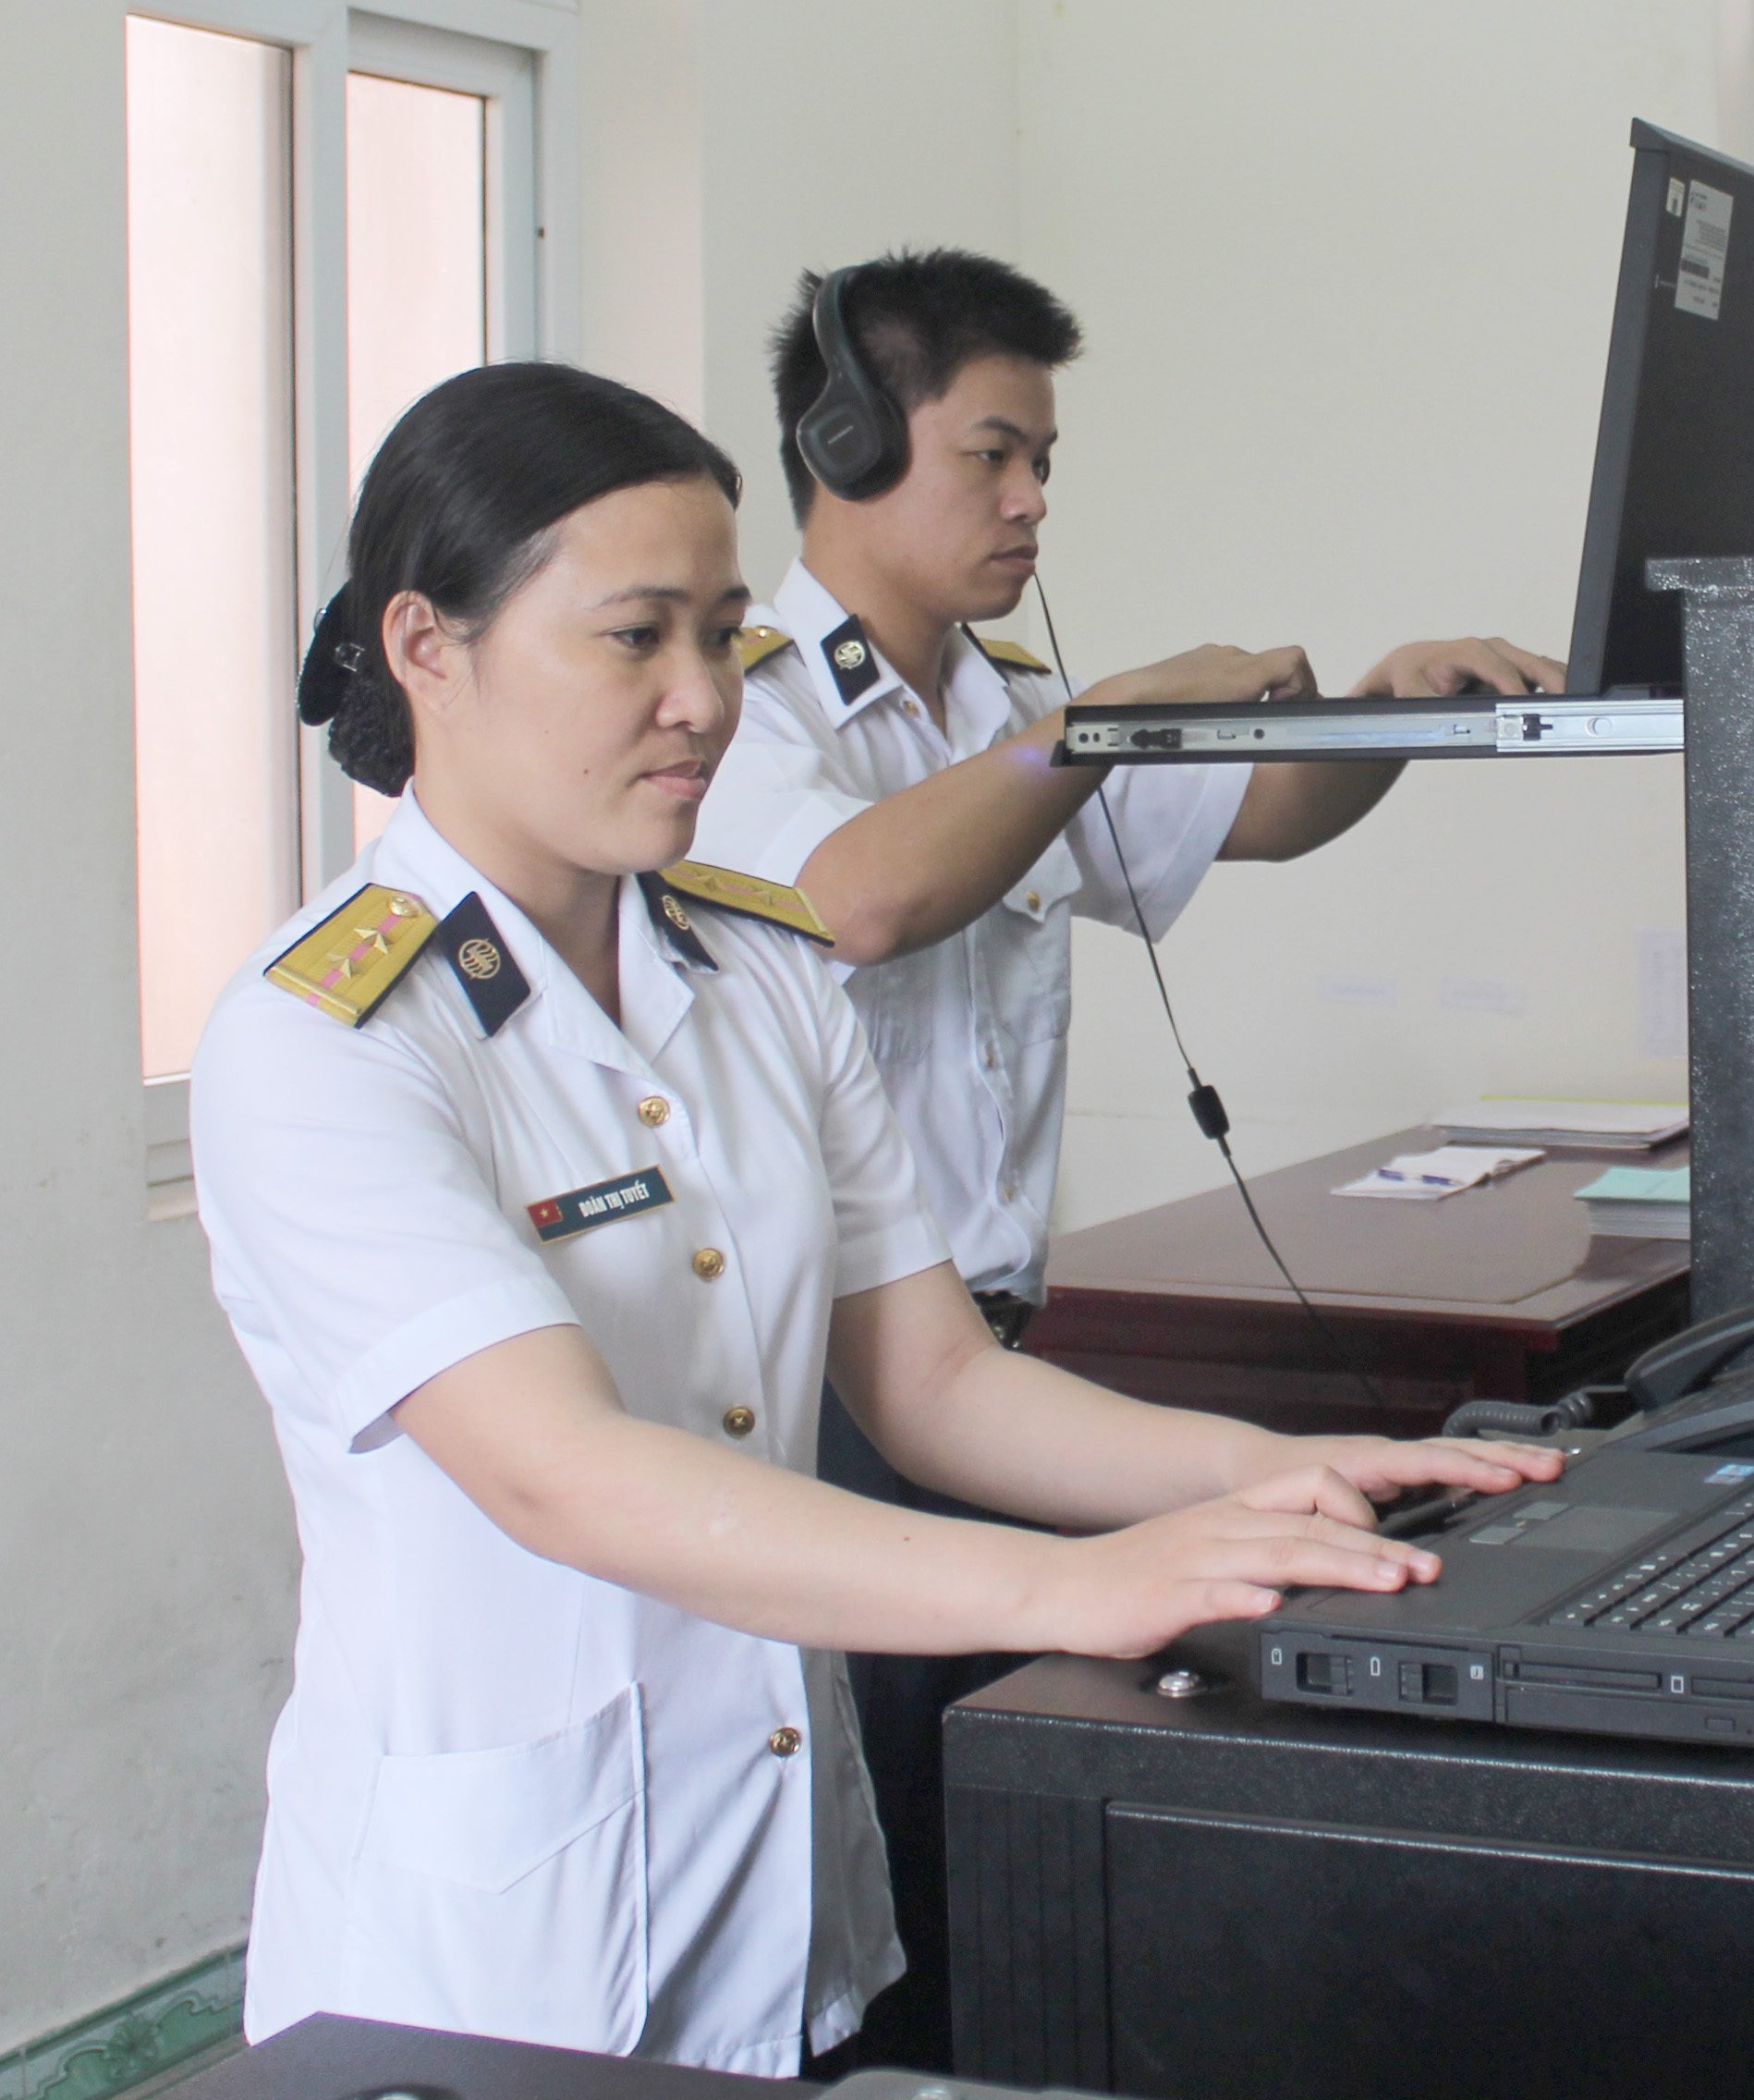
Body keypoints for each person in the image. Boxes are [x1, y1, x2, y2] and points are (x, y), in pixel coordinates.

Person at [194, 361, 1557, 2074]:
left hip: (776, 1881)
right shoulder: (325, 1040)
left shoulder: (753, 968)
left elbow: (934, 1382)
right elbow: (563, 1473)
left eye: (719, 636)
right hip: (496, 1953)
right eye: (634, 639)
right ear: (427, 647)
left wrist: (1265, 1475)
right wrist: (1075, 1590)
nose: (702, 701)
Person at [686, 247, 1563, 2069]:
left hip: (986, 1361)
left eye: (1045, 463)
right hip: (830, 1382)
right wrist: (1088, 729)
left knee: (992, 1820)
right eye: (990, 455)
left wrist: (1388, 704)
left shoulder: (1001, 698)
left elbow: (1261, 811)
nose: (1031, 501)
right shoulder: (748, 710)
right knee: (890, 1841)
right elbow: (857, 899)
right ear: (848, 447)